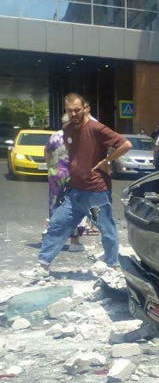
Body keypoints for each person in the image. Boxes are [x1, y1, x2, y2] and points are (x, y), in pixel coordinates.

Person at [22, 94, 131, 279]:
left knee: (106, 229)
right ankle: (43, 266)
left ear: (86, 109)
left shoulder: (97, 128)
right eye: (69, 110)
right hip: (74, 193)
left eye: (77, 110)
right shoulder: (67, 129)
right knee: (57, 224)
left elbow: (126, 144)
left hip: (95, 193)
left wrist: (106, 161)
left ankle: (112, 266)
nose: (73, 114)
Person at [44, 114, 89, 253]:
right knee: (76, 206)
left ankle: (55, 240)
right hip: (74, 176)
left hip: (56, 175)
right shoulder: (80, 136)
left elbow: (46, 154)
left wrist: (51, 168)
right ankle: (75, 241)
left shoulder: (55, 136)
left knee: (55, 205)